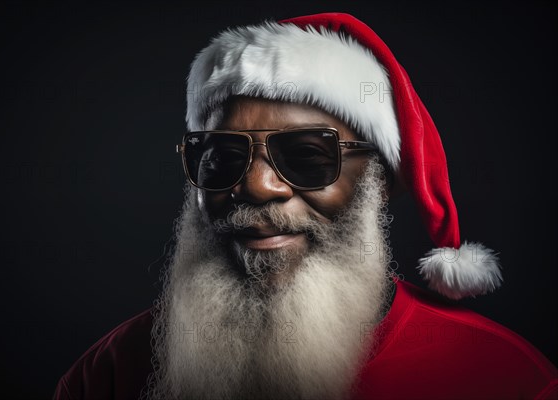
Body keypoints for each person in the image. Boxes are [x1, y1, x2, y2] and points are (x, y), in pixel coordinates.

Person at [53, 12, 558, 400]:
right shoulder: (112, 373)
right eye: (222, 157)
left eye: (307, 157)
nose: (256, 186)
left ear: (379, 182)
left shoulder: (503, 377)